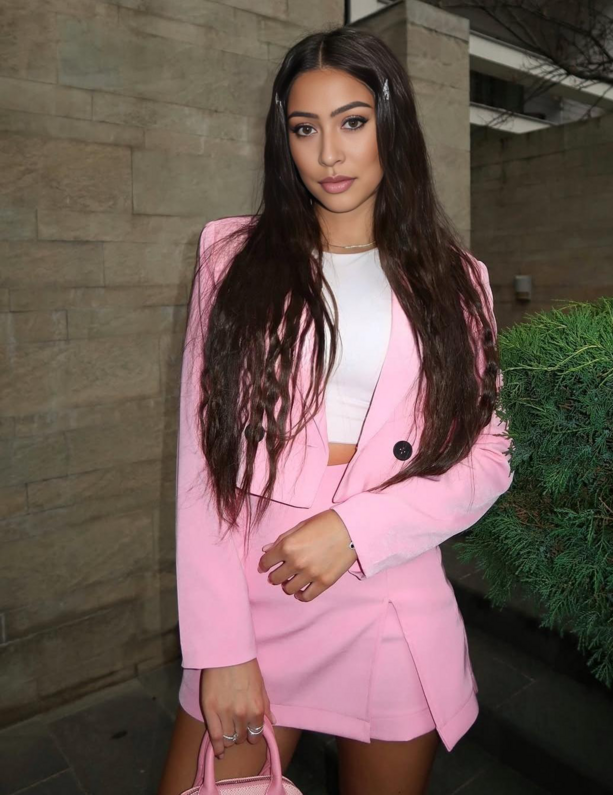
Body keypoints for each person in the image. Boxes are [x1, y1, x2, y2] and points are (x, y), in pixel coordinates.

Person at [158, 25, 513, 795]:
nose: (328, 153)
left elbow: (488, 455)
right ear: (282, 139)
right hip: (258, 587)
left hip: (388, 591)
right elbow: (203, 460)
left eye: (352, 122)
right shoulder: (231, 259)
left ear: (392, 125)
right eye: (304, 128)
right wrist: (220, 648)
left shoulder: (459, 281)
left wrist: (358, 528)